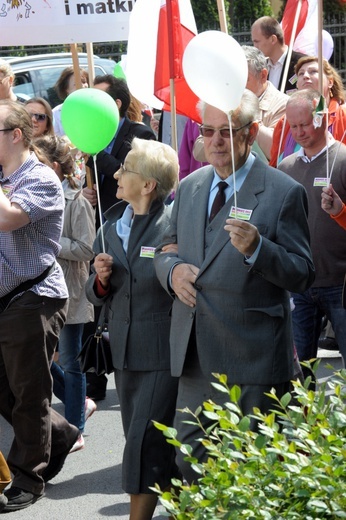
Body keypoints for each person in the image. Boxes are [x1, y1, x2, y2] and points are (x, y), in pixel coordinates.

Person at [154, 89, 315, 484]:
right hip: (195, 356)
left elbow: (303, 272)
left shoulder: (282, 191)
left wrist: (259, 249)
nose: (215, 141)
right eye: (206, 131)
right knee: (190, 463)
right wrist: (172, 272)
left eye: (225, 131)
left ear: (251, 131)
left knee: (254, 472)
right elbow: (163, 248)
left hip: (253, 357)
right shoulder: (191, 186)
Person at [85, 138, 180, 520]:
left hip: (163, 351)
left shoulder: (174, 226)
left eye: (126, 169)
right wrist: (101, 280)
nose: (117, 174)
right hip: (123, 353)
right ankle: (186, 503)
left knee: (141, 442)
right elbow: (95, 296)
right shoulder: (109, 227)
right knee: (147, 440)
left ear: (149, 185)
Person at [0, 100, 80, 512]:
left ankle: (28, 479)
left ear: (15, 135)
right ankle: (61, 434)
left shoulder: (41, 179)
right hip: (5, 297)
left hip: (35, 296)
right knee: (5, 390)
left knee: (29, 391)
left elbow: (8, 218)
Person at [83, 75, 156, 401]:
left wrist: (98, 152)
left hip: (134, 230)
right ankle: (93, 380)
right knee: (95, 298)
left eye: (97, 101)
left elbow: (132, 174)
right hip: (101, 228)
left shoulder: (139, 134)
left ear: (116, 105)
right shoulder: (89, 138)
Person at [33, 135, 97, 454]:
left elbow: (88, 247)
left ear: (56, 168)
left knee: (71, 362)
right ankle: (80, 400)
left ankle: (76, 428)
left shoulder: (78, 202)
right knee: (43, 359)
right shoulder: (32, 197)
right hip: (42, 291)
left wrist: (52, 242)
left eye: (40, 162)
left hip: (71, 291)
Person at [278, 88, 346, 379]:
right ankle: (303, 424)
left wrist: (341, 210)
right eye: (293, 126)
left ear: (322, 118)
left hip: (340, 285)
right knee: (299, 374)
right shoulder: (286, 168)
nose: (299, 132)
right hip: (300, 285)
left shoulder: (342, 160)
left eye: (304, 123)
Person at [270, 56, 346, 167]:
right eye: (301, 74)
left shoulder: (343, 116)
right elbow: (274, 164)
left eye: (313, 71)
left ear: (330, 82)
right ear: (297, 84)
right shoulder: (285, 122)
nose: (305, 76)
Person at [251, 16, 304, 94]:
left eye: (257, 41)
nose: (255, 47)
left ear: (273, 39)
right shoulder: (260, 67)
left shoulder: (301, 63)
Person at [52, 66, 89, 136]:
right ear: (66, 89)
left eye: (84, 82)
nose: (82, 86)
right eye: (76, 84)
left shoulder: (96, 108)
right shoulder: (55, 114)